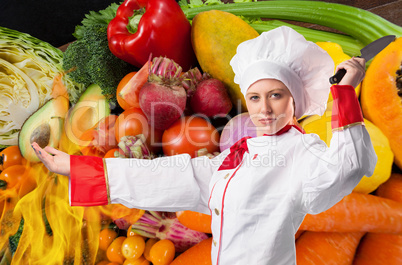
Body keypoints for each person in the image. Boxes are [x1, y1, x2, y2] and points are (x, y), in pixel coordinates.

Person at [32, 26, 377, 265]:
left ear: (295, 102)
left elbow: (348, 166)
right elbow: (166, 175)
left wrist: (345, 94)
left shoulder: (303, 154)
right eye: (255, 98)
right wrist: (77, 168)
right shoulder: (237, 157)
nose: (265, 109)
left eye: (276, 96)